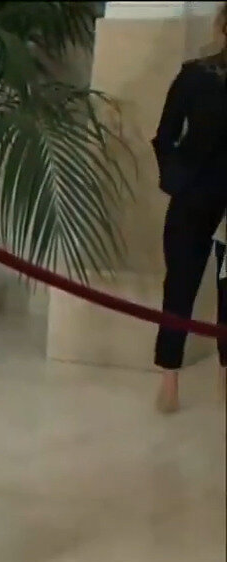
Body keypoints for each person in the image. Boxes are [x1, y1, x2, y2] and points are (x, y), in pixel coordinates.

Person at [150, 3, 227, 412]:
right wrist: (179, 180)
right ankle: (169, 379)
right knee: (179, 286)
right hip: (194, 199)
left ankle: (223, 377)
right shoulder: (195, 75)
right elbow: (163, 136)